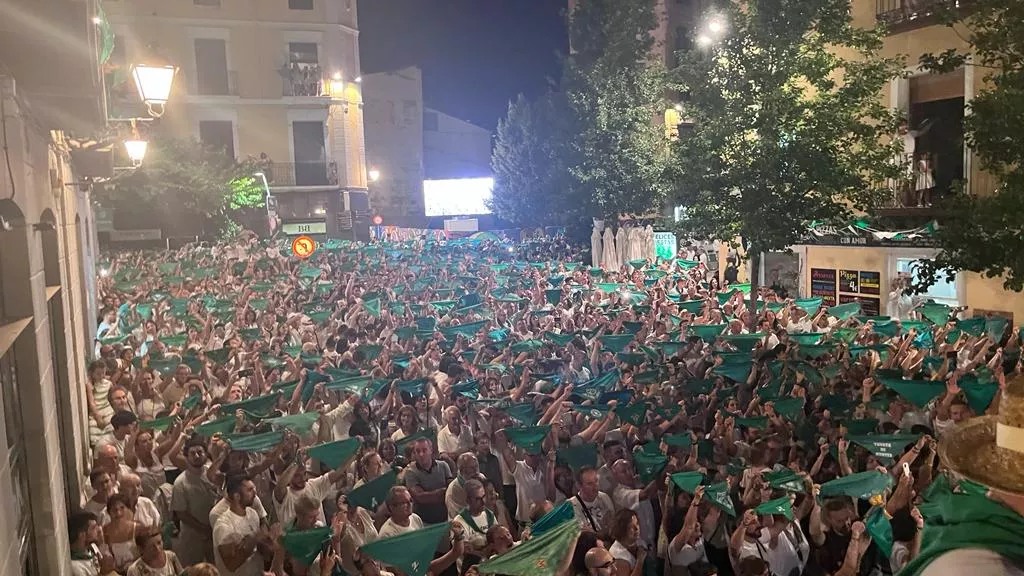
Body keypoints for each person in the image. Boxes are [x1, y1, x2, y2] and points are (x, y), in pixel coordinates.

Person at [171, 437, 219, 566]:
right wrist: (203, 529)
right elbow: (181, 514)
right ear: (186, 457)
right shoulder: (180, 483)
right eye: (192, 453)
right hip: (192, 535)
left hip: (214, 531)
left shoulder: (213, 473)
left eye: (200, 452)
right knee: (193, 569)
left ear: (205, 454)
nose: (197, 456)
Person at [213, 474, 270, 576]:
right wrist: (254, 539)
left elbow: (258, 551)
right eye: (250, 490)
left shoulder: (252, 514)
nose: (255, 493)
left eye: (254, 488)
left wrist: (270, 542)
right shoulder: (223, 526)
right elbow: (231, 565)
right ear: (237, 496)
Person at [404, 437, 454, 525]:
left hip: (446, 518)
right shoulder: (410, 472)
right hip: (425, 522)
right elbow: (421, 497)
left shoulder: (443, 465)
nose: (421, 454)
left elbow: (451, 491)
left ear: (431, 450)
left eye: (424, 450)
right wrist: (444, 491)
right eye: (418, 451)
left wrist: (435, 494)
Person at [452, 479, 498, 571]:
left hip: (491, 566)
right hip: (471, 570)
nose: (483, 502)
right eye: (478, 499)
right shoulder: (459, 522)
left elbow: (498, 538)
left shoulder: (489, 515)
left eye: (484, 496)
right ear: (468, 500)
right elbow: (467, 553)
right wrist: (489, 548)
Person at [103, 493, 143, 572]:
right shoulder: (103, 532)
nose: (118, 513)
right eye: (114, 510)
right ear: (109, 512)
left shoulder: (138, 529)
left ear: (128, 509)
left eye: (122, 508)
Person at [69, 510, 117, 576]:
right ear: (81, 535)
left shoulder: (92, 549)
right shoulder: (76, 567)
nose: (99, 530)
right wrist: (103, 572)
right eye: (93, 527)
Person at [569, 466, 615, 533]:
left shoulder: (604, 497)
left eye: (596, 481)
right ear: (579, 486)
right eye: (589, 484)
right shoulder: (572, 506)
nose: (595, 486)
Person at [609, 509, 647, 576]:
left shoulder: (638, 541)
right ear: (622, 529)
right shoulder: (618, 555)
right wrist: (640, 561)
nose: (636, 528)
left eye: (637, 523)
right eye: (631, 526)